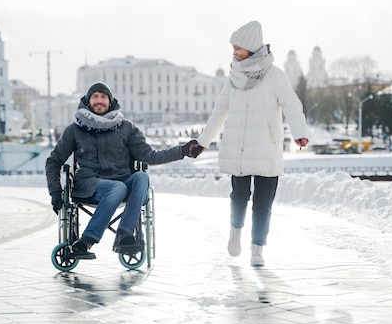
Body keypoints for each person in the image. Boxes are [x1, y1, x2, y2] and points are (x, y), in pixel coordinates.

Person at [191, 20, 310, 267]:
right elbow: (219, 111)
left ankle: (257, 250)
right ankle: (235, 231)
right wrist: (203, 141)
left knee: (263, 204)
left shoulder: (275, 76)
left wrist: (300, 132)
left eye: (239, 47)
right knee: (239, 195)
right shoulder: (234, 76)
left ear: (252, 48)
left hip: (266, 147)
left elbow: (292, 104)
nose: (234, 51)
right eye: (234, 47)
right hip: (239, 148)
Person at [45, 82, 199, 259]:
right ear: (88, 101)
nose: (99, 100)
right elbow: (53, 161)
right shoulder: (74, 130)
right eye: (95, 96)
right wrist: (55, 191)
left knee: (141, 177)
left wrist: (183, 151)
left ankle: (124, 235)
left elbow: (150, 156)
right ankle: (86, 240)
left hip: (122, 182)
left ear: (110, 102)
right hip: (89, 186)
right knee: (117, 187)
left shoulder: (127, 128)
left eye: (103, 97)